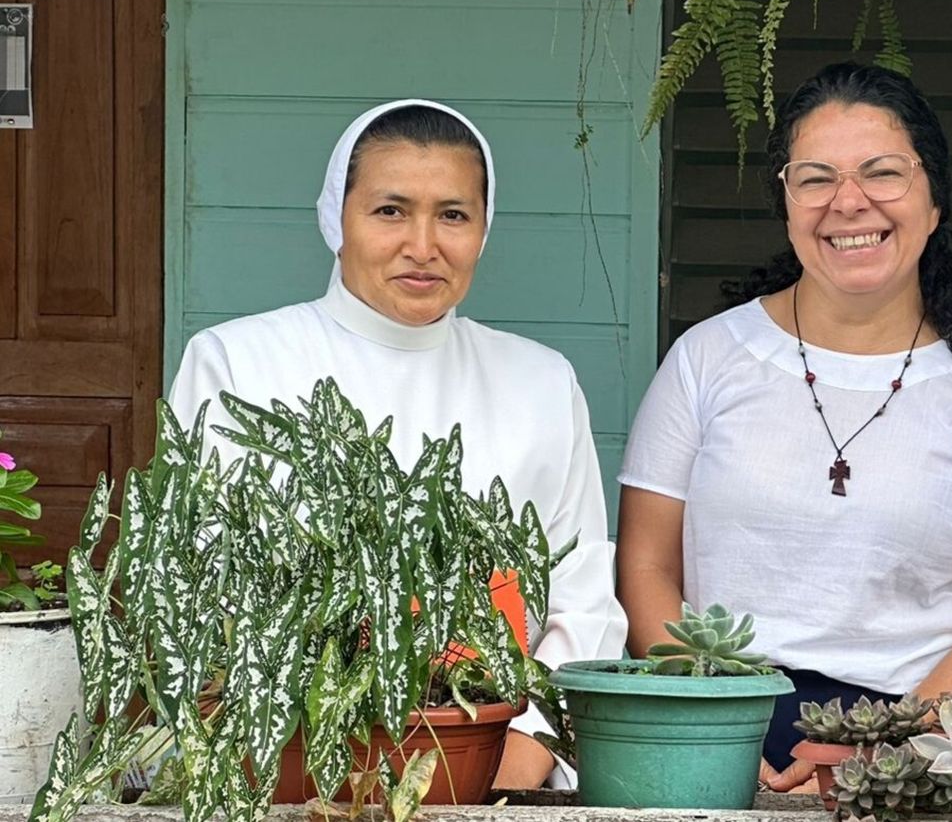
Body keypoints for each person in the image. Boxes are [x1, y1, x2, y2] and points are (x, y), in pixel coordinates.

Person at [616, 63, 952, 791]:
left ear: (934, 198)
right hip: (724, 728)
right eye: (815, 178)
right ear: (786, 202)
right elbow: (645, 569)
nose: (849, 203)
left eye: (883, 173)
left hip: (919, 743)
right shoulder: (706, 358)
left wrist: (892, 751)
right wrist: (708, 726)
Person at [167, 99, 628, 789]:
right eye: (390, 210)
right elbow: (195, 584)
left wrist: (524, 751)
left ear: (482, 228)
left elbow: (583, 592)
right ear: (337, 216)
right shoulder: (238, 364)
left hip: (493, 767)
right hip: (294, 769)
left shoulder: (539, 380)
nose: (423, 244)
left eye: (453, 214)